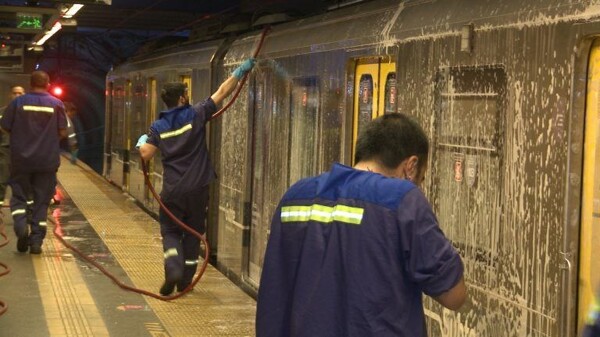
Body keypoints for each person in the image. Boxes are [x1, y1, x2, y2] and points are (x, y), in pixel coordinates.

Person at [256, 113, 467, 337]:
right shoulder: (401, 199)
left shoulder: (295, 195)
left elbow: (276, 288)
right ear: (411, 166)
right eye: (421, 178)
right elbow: (454, 295)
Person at [137, 58, 256, 296]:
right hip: (199, 187)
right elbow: (223, 91)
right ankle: (186, 282)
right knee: (193, 232)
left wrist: (142, 142)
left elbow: (147, 154)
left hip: (173, 190)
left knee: (170, 231)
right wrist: (241, 71)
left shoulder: (158, 126)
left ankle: (173, 269)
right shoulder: (196, 113)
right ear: (181, 98)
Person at [0, 71, 67, 254]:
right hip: (47, 161)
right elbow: (63, 132)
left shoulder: (17, 103)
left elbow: (5, 127)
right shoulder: (57, 104)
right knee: (41, 201)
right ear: (48, 84)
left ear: (30, 84)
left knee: (19, 196)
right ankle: (36, 242)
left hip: (21, 160)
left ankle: (21, 228)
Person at [0, 85, 25, 206]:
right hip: (5, 148)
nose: (17, 96)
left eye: (20, 93)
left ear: (24, 94)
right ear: (10, 95)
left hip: (22, 150)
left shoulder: (27, 112)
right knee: (3, 178)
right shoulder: (2, 111)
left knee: (22, 179)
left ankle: (19, 203)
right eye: (15, 93)